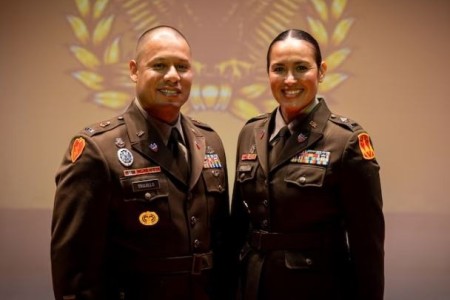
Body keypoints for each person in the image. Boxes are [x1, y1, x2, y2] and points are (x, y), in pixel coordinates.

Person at [51, 25, 232, 300]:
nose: (173, 76)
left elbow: (221, 244)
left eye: (182, 67)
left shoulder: (208, 141)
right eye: (159, 65)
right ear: (134, 70)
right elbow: (75, 269)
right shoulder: (99, 150)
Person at [230, 29, 384, 300]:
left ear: (321, 71)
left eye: (301, 68)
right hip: (254, 286)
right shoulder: (251, 133)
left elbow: (367, 246)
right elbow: (237, 228)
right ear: (267, 73)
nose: (290, 79)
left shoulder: (345, 141)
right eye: (279, 69)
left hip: (317, 288)